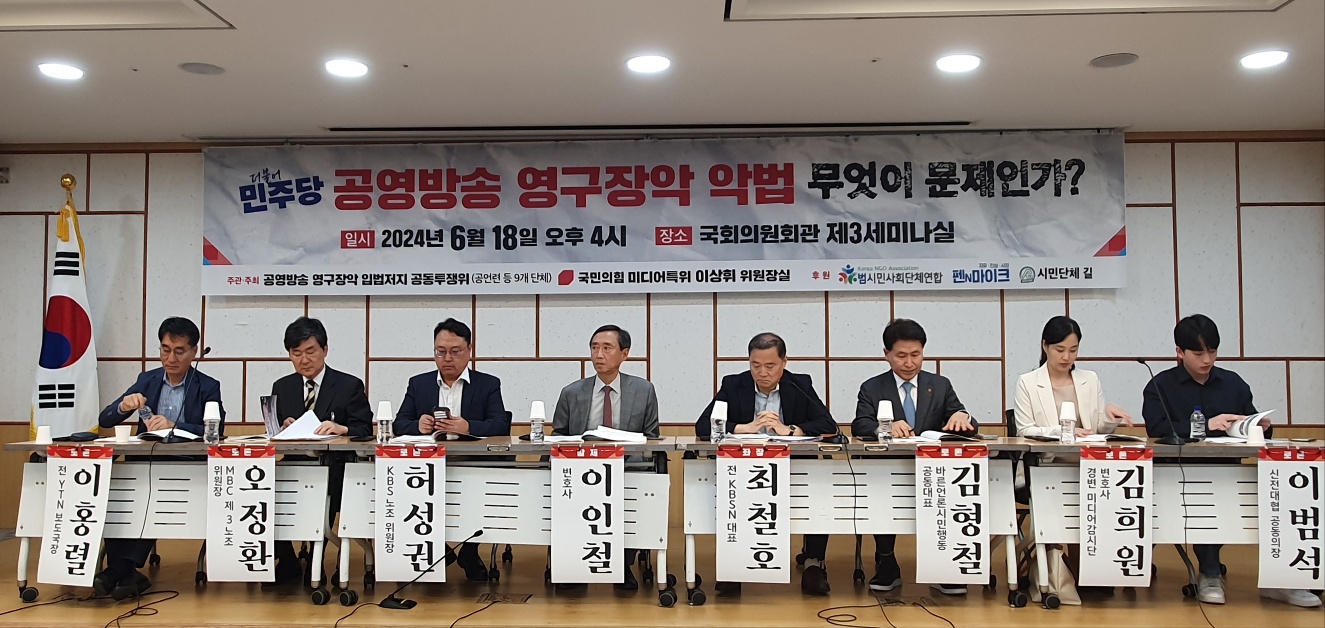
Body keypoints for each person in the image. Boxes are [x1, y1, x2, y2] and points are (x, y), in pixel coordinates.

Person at [1144, 314, 1318, 608]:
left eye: (1212, 351)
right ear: (1179, 352)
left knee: (1282, 490)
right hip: (1175, 473)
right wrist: (1207, 424)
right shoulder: (1160, 385)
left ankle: (1286, 576)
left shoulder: (1233, 383)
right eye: (1198, 353)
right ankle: (1210, 573)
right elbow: (1157, 429)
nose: (1207, 360)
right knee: (1208, 494)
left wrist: (1260, 426)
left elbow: (1250, 421)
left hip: (1229, 470)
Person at [696, 332, 838, 596]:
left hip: (794, 467)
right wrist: (744, 427)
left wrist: (790, 429)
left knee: (819, 491)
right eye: (756, 365)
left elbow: (828, 425)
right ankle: (734, 565)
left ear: (784, 362)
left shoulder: (799, 384)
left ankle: (813, 563)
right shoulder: (734, 384)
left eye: (770, 366)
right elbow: (703, 425)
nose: (762, 373)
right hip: (743, 469)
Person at [95, 317, 225, 599]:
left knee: (153, 493)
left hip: (187, 466)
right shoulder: (148, 380)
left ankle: (117, 571)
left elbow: (216, 430)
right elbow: (105, 419)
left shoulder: (207, 386)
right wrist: (123, 406)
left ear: (194, 351)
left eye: (179, 351)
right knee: (120, 493)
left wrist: (175, 426)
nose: (171, 358)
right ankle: (126, 574)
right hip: (143, 462)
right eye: (165, 350)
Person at [849, 318, 977, 596]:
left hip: (933, 469)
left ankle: (944, 565)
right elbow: (859, 424)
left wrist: (961, 416)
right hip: (887, 468)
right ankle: (886, 561)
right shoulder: (872, 387)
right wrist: (884, 426)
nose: (909, 363)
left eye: (916, 355)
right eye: (901, 356)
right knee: (880, 494)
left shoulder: (939, 385)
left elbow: (966, 421)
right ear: (886, 354)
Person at [393, 318, 509, 581]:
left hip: (473, 463)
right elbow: (399, 423)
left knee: (480, 490)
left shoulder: (488, 384)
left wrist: (469, 426)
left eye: (455, 352)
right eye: (441, 351)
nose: (447, 358)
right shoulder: (419, 384)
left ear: (469, 350)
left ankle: (469, 550)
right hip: (427, 465)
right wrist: (417, 425)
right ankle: (439, 548)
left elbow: (501, 424)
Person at [551, 324, 660, 591]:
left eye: (607, 348)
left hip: (627, 468)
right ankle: (574, 565)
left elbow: (651, 437)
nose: (598, 354)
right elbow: (558, 434)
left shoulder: (644, 390)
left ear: (625, 353)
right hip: (581, 468)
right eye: (594, 348)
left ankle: (623, 564)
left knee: (637, 491)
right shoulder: (572, 392)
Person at [269, 316, 373, 584]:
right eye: (296, 353)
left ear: (325, 350)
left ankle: (317, 562)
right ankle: (287, 560)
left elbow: (364, 428)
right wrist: (283, 427)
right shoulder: (282, 387)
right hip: (294, 465)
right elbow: (274, 432)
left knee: (322, 494)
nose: (304, 359)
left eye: (311, 351)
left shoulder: (349, 385)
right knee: (262, 490)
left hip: (335, 467)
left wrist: (342, 429)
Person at [1014, 315, 1133, 440]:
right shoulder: (1027, 383)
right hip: (1048, 452)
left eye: (1073, 350)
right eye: (1060, 350)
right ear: (1045, 346)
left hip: (1086, 451)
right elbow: (1024, 431)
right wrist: (1063, 431)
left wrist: (1109, 417)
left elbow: (1099, 432)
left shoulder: (1090, 379)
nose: (1066, 357)